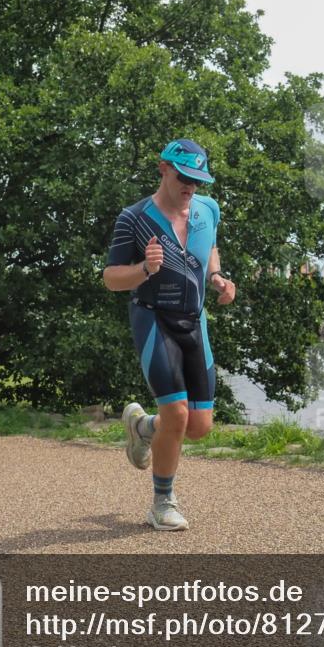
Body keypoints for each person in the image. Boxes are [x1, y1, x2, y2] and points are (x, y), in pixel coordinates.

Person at [103, 138, 236, 531]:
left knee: (198, 427)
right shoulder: (134, 217)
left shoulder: (208, 209)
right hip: (153, 320)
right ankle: (162, 502)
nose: (190, 187)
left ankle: (143, 428)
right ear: (163, 168)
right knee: (176, 413)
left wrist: (216, 277)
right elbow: (111, 278)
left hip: (195, 321)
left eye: (198, 180)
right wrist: (145, 269)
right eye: (183, 177)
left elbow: (210, 247)